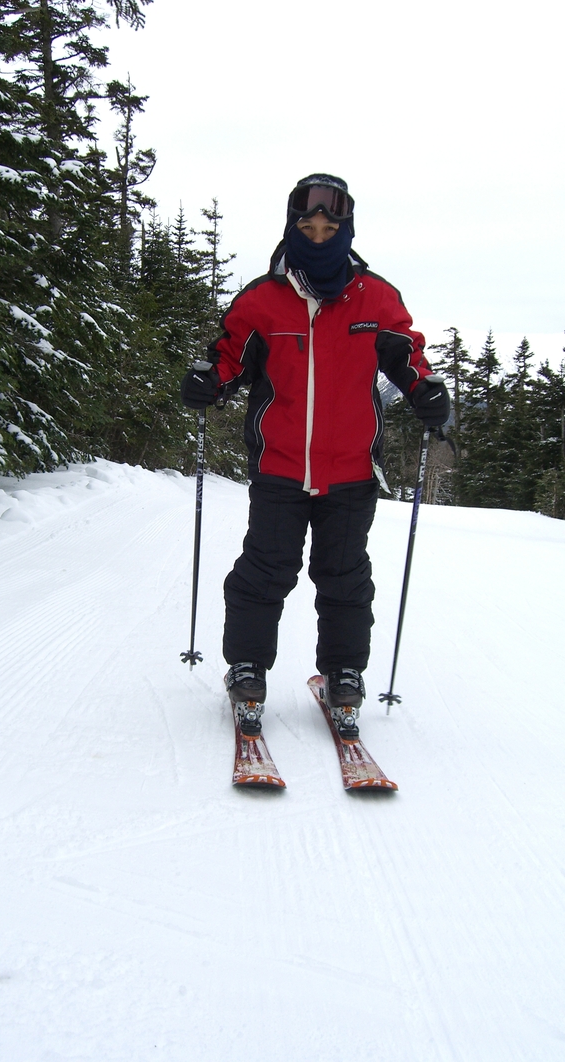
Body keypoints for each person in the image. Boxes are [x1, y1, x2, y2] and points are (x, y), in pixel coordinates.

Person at [181, 174, 450, 739]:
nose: (320, 235)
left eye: (330, 227)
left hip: (351, 470)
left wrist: (425, 389)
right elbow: (230, 356)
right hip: (280, 466)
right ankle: (247, 668)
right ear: (292, 227)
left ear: (345, 229)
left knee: (344, 577)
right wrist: (210, 380)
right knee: (265, 571)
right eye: (309, 226)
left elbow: (407, 355)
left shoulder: (375, 298)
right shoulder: (262, 299)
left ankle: (343, 674)